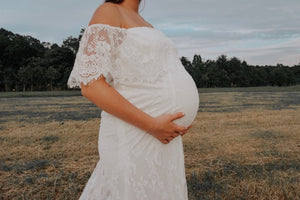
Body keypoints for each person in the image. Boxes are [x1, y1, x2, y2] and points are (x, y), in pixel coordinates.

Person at [67, 0, 199, 199]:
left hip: (162, 136)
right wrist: (152, 125)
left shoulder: (145, 22)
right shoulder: (109, 10)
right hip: (135, 132)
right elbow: (90, 84)